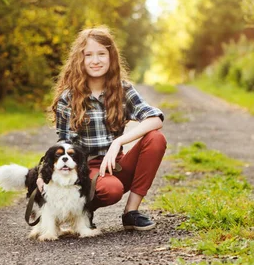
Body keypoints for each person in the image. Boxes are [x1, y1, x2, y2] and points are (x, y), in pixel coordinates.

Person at [44, 26, 167, 231]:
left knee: (156, 139)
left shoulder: (122, 89)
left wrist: (119, 142)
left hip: (116, 163)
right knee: (111, 189)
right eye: (89, 55)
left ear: (111, 58)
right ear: (80, 60)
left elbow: (155, 118)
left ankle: (131, 213)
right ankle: (83, 208)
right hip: (86, 169)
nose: (96, 60)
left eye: (102, 54)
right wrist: (43, 174)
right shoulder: (69, 97)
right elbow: (64, 144)